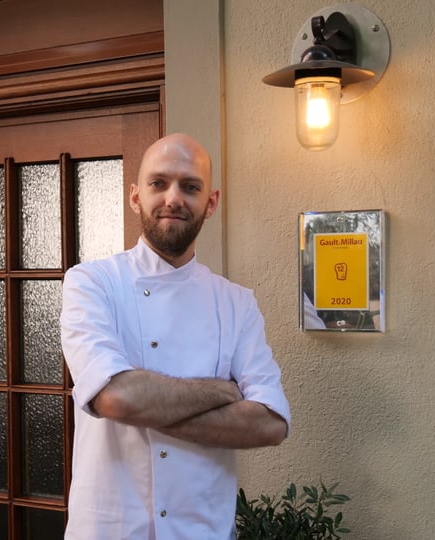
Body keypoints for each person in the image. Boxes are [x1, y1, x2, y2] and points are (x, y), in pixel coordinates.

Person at [60, 133, 291, 539]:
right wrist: (224, 392)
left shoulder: (236, 303)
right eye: (158, 183)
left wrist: (147, 406)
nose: (173, 198)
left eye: (190, 186)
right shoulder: (92, 284)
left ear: (211, 202)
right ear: (135, 197)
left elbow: (270, 423)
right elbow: (116, 397)